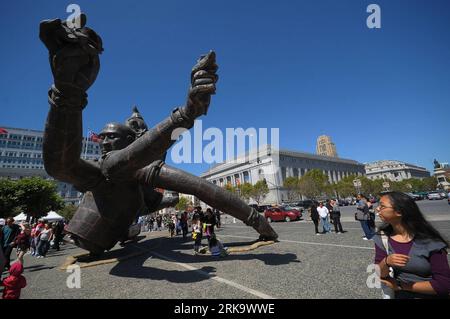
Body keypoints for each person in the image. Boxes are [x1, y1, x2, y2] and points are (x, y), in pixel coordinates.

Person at [39, 16, 277, 256]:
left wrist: (255, 219)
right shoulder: (108, 169)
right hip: (94, 233)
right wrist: (67, 93)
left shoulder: (137, 172)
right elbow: (60, 165)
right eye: (103, 137)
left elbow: (199, 187)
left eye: (112, 137)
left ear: (130, 140)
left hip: (115, 228)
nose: (105, 142)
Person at [373, 191, 450, 299]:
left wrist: (401, 286)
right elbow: (380, 274)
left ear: (399, 212)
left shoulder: (430, 241)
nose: (377, 209)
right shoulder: (382, 237)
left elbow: (444, 285)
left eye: (382, 206)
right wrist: (386, 262)